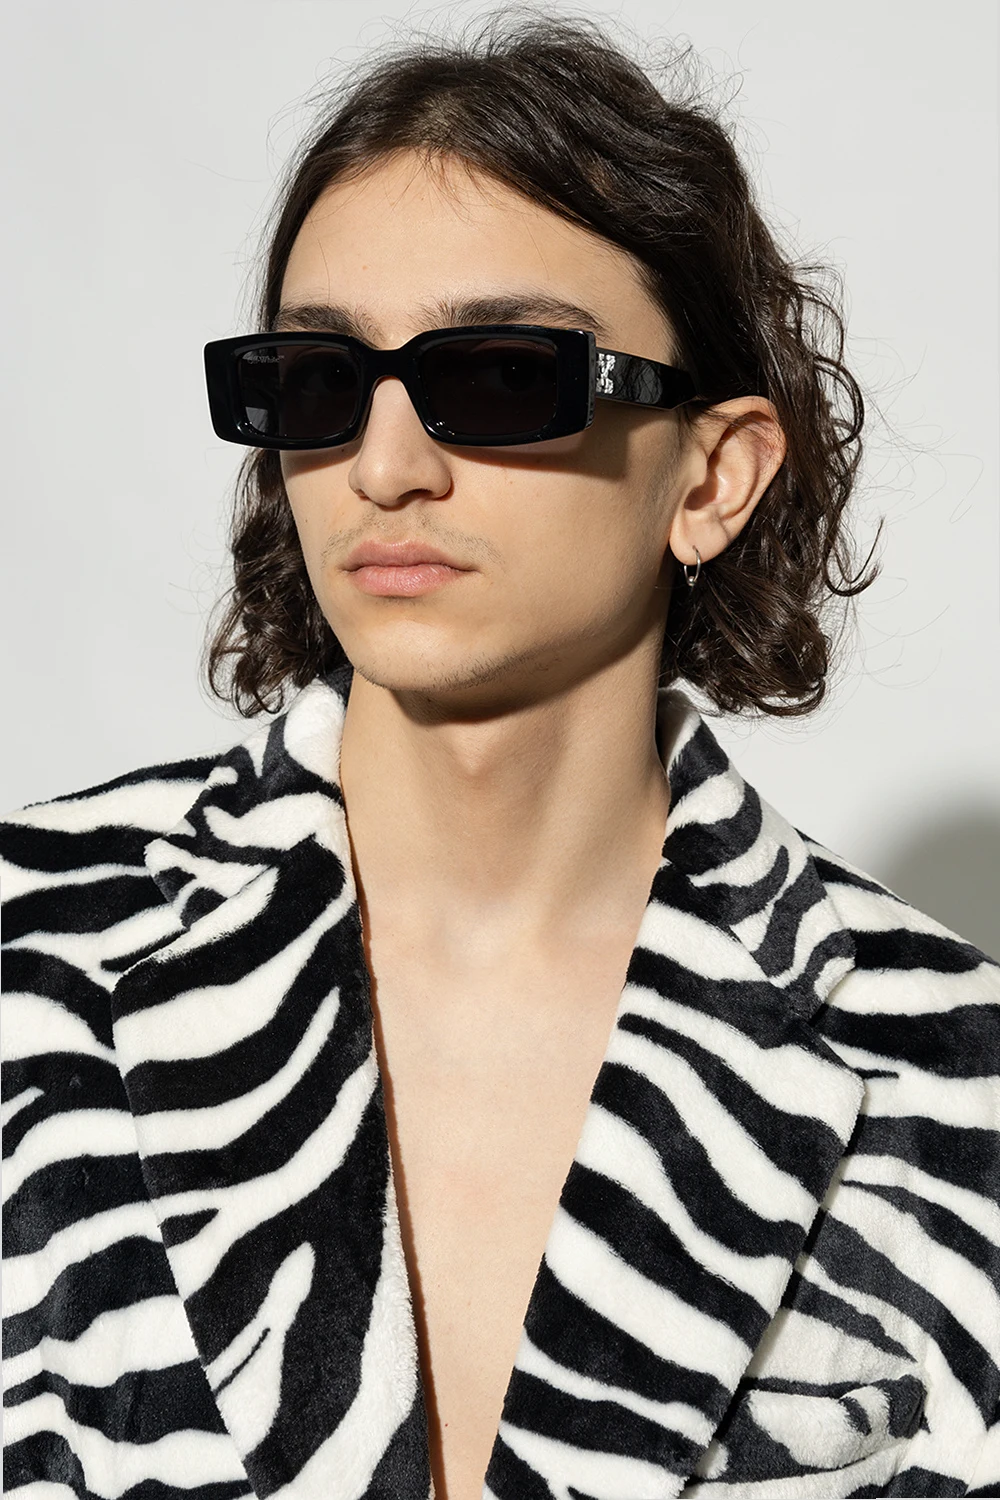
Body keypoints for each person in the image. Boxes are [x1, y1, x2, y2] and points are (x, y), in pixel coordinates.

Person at [2, 14, 997, 1500]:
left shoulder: (953, 1073)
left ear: (714, 474)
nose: (386, 466)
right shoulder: (34, 955)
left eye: (503, 376)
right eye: (318, 382)